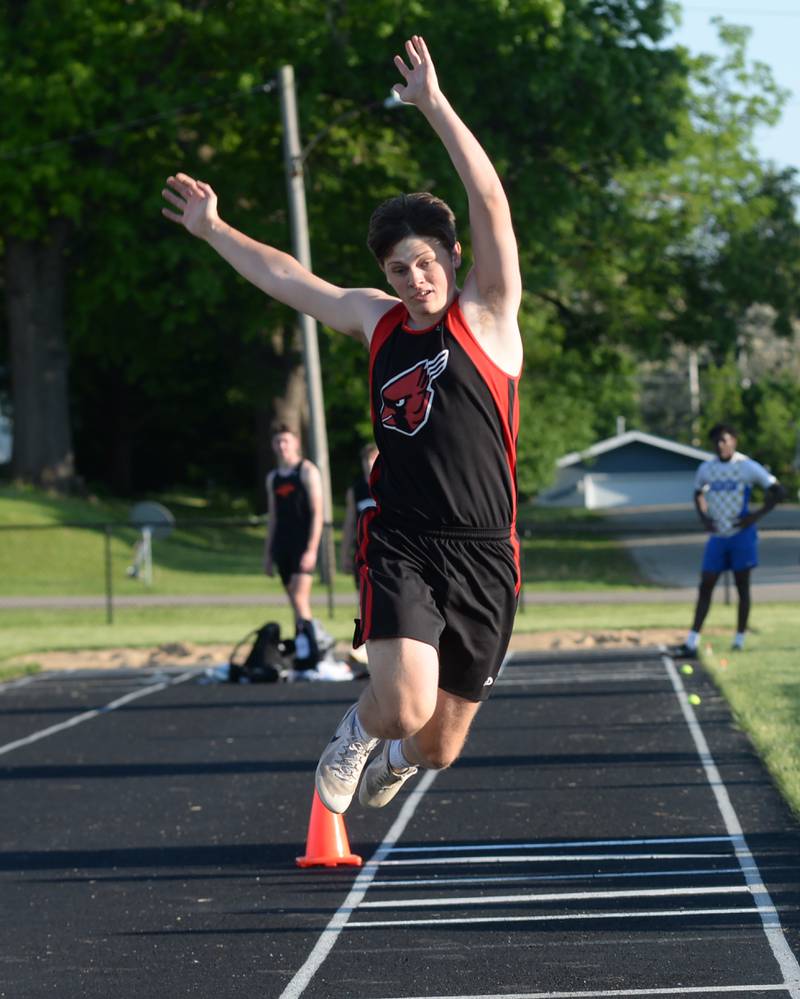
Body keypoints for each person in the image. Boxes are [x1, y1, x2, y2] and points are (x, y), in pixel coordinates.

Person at [162, 35, 522, 813]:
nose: (415, 279)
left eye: (426, 262)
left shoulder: (487, 314)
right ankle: (359, 732)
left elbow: (490, 201)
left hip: (488, 552)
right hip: (402, 539)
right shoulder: (377, 319)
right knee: (398, 704)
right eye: (400, 269)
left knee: (438, 746)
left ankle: (391, 753)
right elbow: (290, 279)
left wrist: (433, 105)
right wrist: (215, 230)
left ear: (453, 257)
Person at [674, 422, 784, 657]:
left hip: (741, 535)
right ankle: (692, 641)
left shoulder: (746, 467)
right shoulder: (706, 468)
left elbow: (777, 490)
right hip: (718, 536)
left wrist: (754, 516)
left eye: (725, 440)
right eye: (716, 441)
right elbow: (697, 493)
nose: (721, 445)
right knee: (706, 585)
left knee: (741, 586)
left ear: (734, 441)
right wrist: (704, 518)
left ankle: (739, 639)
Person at [264, 424, 324, 669]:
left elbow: (318, 513)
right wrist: (268, 553)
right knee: (293, 600)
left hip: (302, 543)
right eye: (278, 442)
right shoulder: (273, 478)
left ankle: (312, 648)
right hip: (282, 544)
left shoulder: (307, 471)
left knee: (300, 598)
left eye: (286, 441)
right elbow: (273, 517)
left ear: (296, 443)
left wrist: (311, 549)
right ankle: (302, 647)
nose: (282, 446)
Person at [340, 441, 379, 670]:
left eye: (373, 459)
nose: (368, 464)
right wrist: (344, 553)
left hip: (385, 552)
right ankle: (364, 646)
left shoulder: (389, 483)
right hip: (362, 552)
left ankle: (375, 646)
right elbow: (348, 524)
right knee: (363, 601)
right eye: (366, 460)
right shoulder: (356, 490)